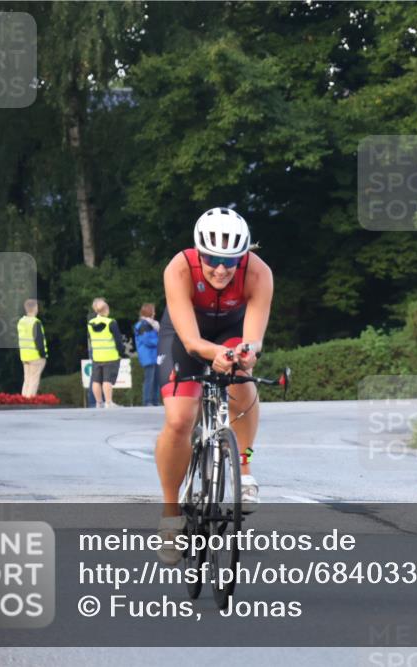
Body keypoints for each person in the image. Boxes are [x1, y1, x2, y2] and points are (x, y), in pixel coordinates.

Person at [154, 207, 273, 564]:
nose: (221, 268)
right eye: (212, 259)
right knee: (179, 419)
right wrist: (214, 352)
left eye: (230, 260)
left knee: (243, 379)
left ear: (243, 256)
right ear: (198, 252)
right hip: (186, 334)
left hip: (231, 331)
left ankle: (245, 467)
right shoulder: (179, 268)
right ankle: (171, 515)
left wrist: (246, 354)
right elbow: (190, 340)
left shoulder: (258, 273)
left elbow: (254, 339)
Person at [87, 297, 125, 408]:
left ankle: (99, 403)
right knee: (107, 380)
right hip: (110, 356)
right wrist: (121, 352)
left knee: (96, 380)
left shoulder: (90, 323)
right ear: (106, 309)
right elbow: (118, 340)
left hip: (97, 356)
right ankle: (109, 402)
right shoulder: (111, 323)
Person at [17, 299, 48, 397]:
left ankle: (23, 400)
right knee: (34, 379)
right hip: (36, 355)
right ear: (35, 308)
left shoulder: (21, 321)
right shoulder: (35, 322)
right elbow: (38, 340)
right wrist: (43, 354)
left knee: (27, 380)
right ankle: (30, 401)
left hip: (25, 355)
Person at [134, 303, 161, 407]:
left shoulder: (151, 324)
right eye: (153, 310)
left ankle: (155, 400)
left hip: (153, 355)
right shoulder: (144, 325)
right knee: (149, 379)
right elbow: (147, 340)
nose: (154, 312)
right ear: (150, 312)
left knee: (156, 379)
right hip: (148, 355)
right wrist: (159, 342)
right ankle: (147, 400)